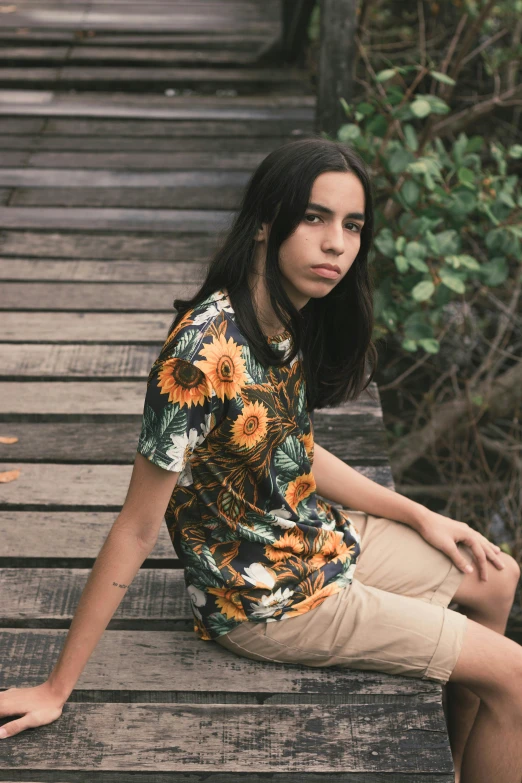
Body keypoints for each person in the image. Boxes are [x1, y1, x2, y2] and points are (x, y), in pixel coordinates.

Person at [0, 136, 520, 783]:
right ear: (266, 224)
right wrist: (56, 687)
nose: (337, 243)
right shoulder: (199, 355)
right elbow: (135, 527)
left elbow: (293, 450)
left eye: (352, 225)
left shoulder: (282, 315)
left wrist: (422, 515)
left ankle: (470, 761)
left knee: (495, 573)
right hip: (267, 601)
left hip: (314, 542)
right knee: (514, 674)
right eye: (315, 217)